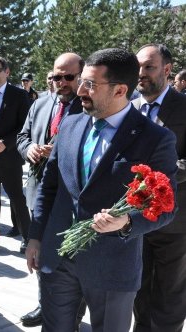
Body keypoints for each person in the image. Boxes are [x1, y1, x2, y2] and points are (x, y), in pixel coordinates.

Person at [25, 48, 178, 332]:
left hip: (112, 268)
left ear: (121, 90)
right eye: (82, 81)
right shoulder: (70, 125)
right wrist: (35, 238)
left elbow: (166, 208)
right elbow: (50, 186)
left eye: (91, 84)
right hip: (57, 259)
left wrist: (127, 222)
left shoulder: (155, 139)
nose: (80, 89)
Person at [17, 53, 84, 328]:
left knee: (69, 257)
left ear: (81, 76)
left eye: (69, 77)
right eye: (57, 77)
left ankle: (72, 314)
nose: (62, 83)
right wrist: (29, 148)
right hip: (40, 191)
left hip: (71, 200)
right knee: (40, 251)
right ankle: (45, 303)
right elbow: (22, 137)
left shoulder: (90, 107)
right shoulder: (41, 104)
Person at [132, 43, 186, 332]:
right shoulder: (131, 107)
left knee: (169, 291)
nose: (141, 74)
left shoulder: (183, 107)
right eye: (138, 67)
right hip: (135, 219)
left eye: (148, 67)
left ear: (167, 70)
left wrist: (155, 181)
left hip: (175, 220)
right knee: (138, 284)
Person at [0, 55, 31, 252]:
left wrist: (7, 143)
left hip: (9, 158)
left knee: (17, 199)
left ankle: (28, 237)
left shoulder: (19, 95)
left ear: (7, 72)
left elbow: (25, 126)